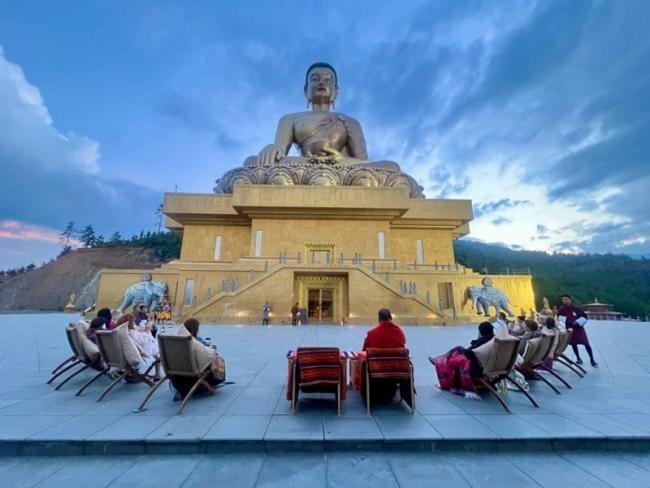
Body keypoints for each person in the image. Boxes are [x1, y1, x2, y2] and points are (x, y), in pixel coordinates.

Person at [351, 309, 407, 404]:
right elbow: (403, 344)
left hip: (375, 371)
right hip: (396, 371)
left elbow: (365, 350)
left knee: (360, 361)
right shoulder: (400, 333)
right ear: (391, 318)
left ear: (379, 319)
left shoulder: (372, 334)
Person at [430, 322, 495, 400]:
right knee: (458, 349)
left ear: (481, 332)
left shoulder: (483, 341)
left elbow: (468, 353)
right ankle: (439, 360)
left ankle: (439, 362)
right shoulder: (493, 340)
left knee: (455, 361)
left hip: (477, 368)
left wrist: (478, 339)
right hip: (487, 364)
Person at [170, 318, 226, 400]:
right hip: (191, 375)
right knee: (214, 360)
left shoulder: (175, 341)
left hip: (176, 375)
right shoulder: (191, 341)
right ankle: (208, 385)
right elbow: (208, 354)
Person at [115, 313, 161, 380]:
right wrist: (148, 332)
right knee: (158, 352)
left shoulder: (122, 332)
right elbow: (143, 343)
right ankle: (157, 375)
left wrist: (145, 330)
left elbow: (138, 331)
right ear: (130, 322)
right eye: (134, 321)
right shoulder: (132, 333)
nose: (135, 323)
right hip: (140, 356)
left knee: (156, 349)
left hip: (125, 357)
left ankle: (157, 374)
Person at [557, 294, 597, 366]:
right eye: (563, 299)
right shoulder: (561, 309)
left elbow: (584, 316)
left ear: (570, 300)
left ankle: (592, 359)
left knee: (586, 343)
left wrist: (578, 322)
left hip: (579, 329)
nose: (565, 301)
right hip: (570, 329)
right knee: (573, 344)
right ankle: (578, 358)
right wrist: (567, 323)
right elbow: (559, 317)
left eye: (566, 299)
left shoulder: (576, 308)